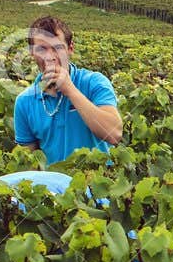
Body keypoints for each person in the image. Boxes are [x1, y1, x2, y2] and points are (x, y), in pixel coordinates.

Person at [13, 15, 123, 164]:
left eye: (57, 48)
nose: (50, 57)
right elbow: (30, 163)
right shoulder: (24, 102)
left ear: (70, 48)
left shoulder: (94, 82)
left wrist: (70, 90)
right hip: (55, 186)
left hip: (98, 182)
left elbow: (114, 134)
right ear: (32, 52)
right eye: (41, 49)